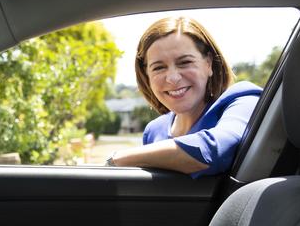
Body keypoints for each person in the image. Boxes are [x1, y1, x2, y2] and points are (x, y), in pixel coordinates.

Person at [107, 17, 262, 178]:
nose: (172, 78)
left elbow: (215, 151)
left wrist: (117, 160)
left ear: (208, 63)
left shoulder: (242, 100)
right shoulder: (153, 131)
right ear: (146, 76)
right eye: (159, 67)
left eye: (185, 62)